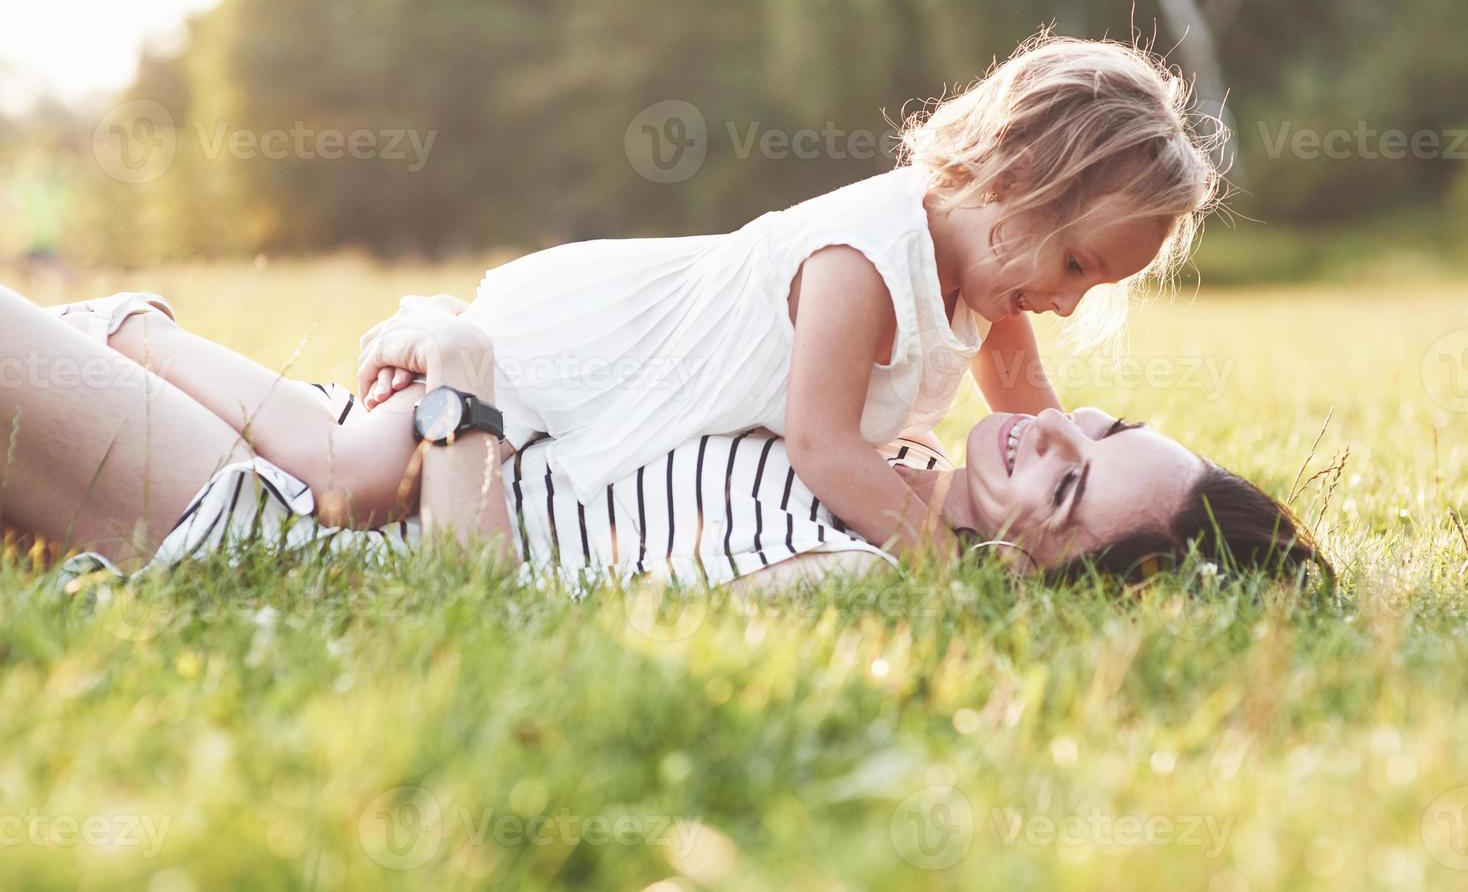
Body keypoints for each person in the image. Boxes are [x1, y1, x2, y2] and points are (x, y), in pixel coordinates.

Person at [353, 34, 1223, 561]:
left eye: (1095, 285)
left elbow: (1039, 413)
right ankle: (427, 342)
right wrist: (943, 568)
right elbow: (821, 446)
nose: (1068, 306)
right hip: (591, 351)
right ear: (1021, 178)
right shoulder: (867, 259)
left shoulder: (992, 290)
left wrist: (1103, 500)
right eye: (1075, 264)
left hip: (639, 373)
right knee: (361, 487)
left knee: (453, 498)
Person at [9, 285, 1326, 591]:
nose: (1038, 430)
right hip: (324, 466)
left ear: (1057, 566)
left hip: (272, 536)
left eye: (1069, 478)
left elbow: (465, 610)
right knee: (115, 325)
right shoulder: (866, 437)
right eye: (1086, 423)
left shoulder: (845, 576)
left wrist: (464, 395)